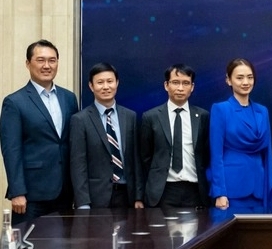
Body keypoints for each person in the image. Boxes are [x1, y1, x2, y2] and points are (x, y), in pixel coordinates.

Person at [0, 39, 79, 224]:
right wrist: (17, 191)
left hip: (66, 192)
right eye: (40, 60)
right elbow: (11, 150)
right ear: (28, 63)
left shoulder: (69, 98)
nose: (47, 66)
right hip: (32, 195)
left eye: (52, 60)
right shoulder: (14, 102)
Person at [70, 62, 144, 208]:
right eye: (100, 82)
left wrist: (139, 197)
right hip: (96, 198)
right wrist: (83, 202)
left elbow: (136, 160)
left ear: (117, 83)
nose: (105, 87)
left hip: (126, 196)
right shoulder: (80, 120)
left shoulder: (130, 116)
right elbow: (78, 165)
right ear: (91, 86)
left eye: (110, 81)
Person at [208, 58, 272, 212]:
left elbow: (268, 154)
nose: (245, 82)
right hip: (232, 189)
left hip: (260, 190)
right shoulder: (221, 110)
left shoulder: (262, 111)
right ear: (228, 80)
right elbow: (216, 154)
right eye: (239, 78)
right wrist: (219, 192)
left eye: (250, 77)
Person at [140, 64, 211, 208]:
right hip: (162, 191)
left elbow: (206, 154)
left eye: (186, 83)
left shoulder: (203, 116)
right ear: (166, 85)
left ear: (192, 87)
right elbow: (145, 157)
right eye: (175, 82)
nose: (180, 88)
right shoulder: (151, 117)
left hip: (195, 191)